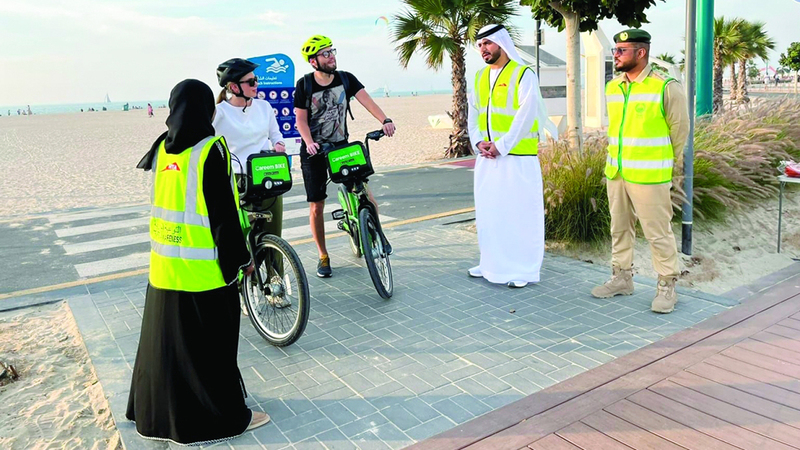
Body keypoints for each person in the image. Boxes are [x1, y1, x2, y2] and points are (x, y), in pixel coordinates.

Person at [127, 79, 270, 445]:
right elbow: (223, 217)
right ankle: (220, 418)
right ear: (207, 109)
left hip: (164, 270)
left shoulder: (162, 148)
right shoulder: (209, 150)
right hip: (203, 274)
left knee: (167, 349)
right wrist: (242, 261)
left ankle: (154, 415)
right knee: (211, 352)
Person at [591, 29, 689, 314]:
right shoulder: (613, 87)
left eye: (622, 50)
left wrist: (666, 161)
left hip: (650, 175)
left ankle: (667, 286)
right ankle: (622, 278)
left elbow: (679, 130)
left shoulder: (666, 86)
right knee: (619, 228)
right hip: (617, 172)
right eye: (615, 50)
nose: (616, 55)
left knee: (657, 233)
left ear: (641, 52)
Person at [294, 35, 395, 278]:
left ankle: (378, 234)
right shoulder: (305, 85)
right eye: (325, 53)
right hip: (314, 151)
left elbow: (367, 101)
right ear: (313, 61)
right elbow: (300, 120)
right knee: (317, 205)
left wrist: (385, 120)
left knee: (365, 192)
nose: (331, 57)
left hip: (340, 146)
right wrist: (309, 142)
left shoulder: (345, 78)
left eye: (332, 51)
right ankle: (323, 255)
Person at [466, 24, 553, 288]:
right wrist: (478, 142)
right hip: (487, 158)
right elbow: (473, 114)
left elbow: (526, 114)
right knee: (490, 214)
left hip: (517, 158)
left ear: (501, 44)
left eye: (488, 43)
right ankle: (490, 263)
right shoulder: (479, 77)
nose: (483, 49)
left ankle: (523, 270)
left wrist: (501, 146)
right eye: (480, 45)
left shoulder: (523, 74)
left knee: (520, 215)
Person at [213, 57, 287, 307]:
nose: (256, 85)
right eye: (251, 82)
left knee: (273, 233)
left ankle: (276, 286)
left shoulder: (264, 107)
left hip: (268, 174)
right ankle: (243, 288)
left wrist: (279, 144)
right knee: (242, 237)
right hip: (237, 181)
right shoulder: (219, 113)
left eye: (256, 80)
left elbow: (276, 134)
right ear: (234, 87)